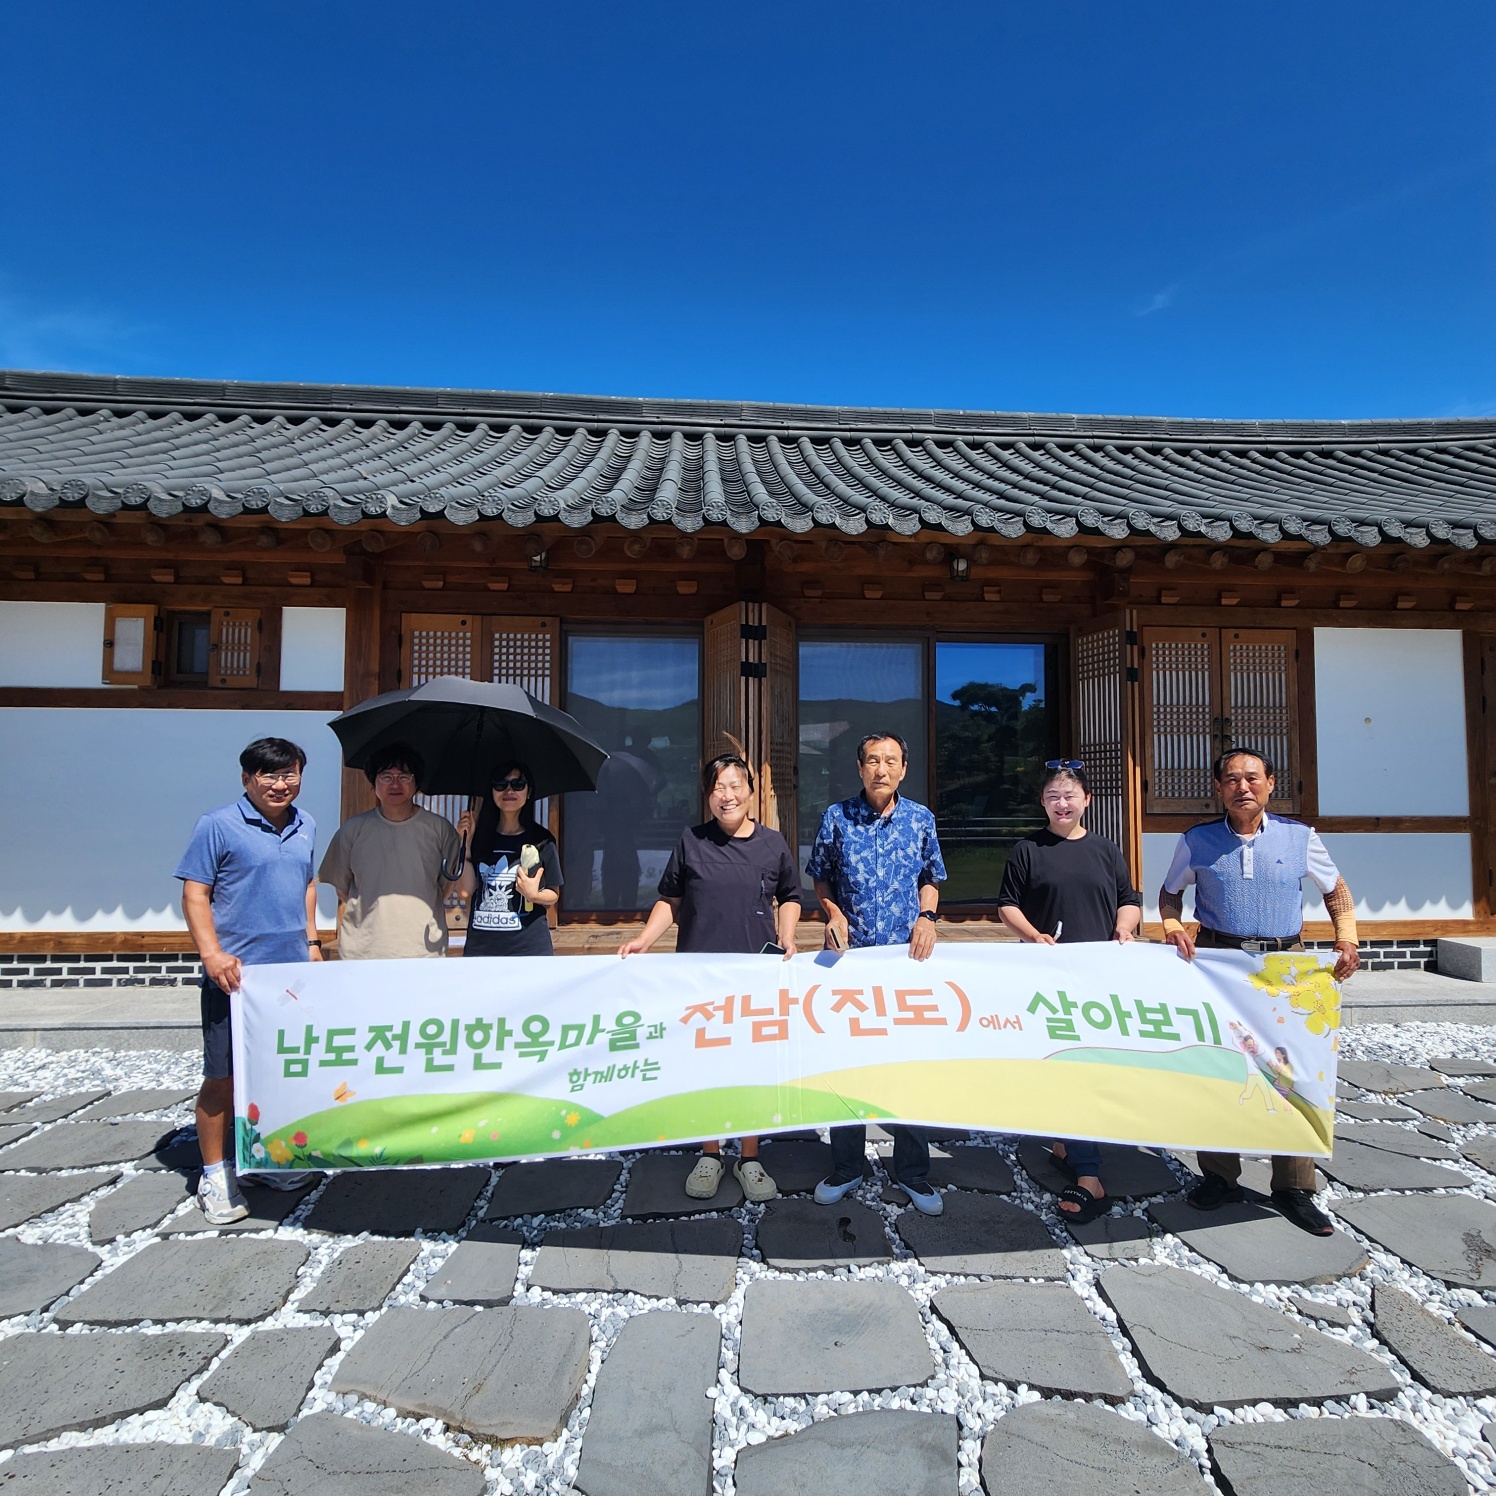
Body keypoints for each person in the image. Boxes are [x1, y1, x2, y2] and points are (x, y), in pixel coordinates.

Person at [1159, 746, 1360, 1237]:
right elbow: (1170, 894)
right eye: (1231, 779)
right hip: (1218, 964)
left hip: (1285, 969)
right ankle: (1220, 1177)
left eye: (1252, 778)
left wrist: (1347, 936)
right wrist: (1171, 927)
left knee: (1293, 1070)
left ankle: (1293, 1187)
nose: (1242, 787)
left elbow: (1336, 890)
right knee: (1221, 1066)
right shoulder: (1197, 840)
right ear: (1219, 788)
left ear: (1271, 783)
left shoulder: (1300, 838)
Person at [620, 753, 802, 1203]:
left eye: (736, 785)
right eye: (719, 787)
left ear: (751, 791)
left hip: (755, 974)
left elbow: (791, 896)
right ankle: (709, 1153)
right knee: (704, 1064)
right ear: (708, 795)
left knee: (754, 1066)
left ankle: (750, 1157)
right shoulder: (691, 841)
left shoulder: (773, 844)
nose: (728, 795)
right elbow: (671, 899)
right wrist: (645, 939)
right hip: (699, 975)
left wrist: (787, 936)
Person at [175, 737, 321, 1225]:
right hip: (234, 975)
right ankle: (215, 1174)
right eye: (269, 775)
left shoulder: (306, 825)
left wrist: (313, 942)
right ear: (246, 779)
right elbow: (196, 893)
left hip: (287, 971)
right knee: (223, 1076)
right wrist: (211, 954)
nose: (281, 785)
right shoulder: (217, 825)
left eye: (289, 774)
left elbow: (306, 883)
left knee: (277, 1069)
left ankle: (262, 1160)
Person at [805, 731, 947, 1215]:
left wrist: (927, 917)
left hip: (906, 964)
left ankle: (912, 1170)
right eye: (872, 761)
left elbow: (932, 877)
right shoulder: (836, 818)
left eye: (890, 761)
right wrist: (832, 912)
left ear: (904, 768)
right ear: (860, 769)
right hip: (850, 963)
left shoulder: (920, 819)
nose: (881, 769)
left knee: (907, 1064)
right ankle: (847, 1165)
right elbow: (821, 876)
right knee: (847, 1063)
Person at [997, 760, 1142, 1225]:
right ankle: (1071, 1145)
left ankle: (1089, 1172)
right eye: (1054, 796)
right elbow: (1007, 904)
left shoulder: (1105, 850)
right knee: (1059, 1063)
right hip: (1048, 976)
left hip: (1098, 975)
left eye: (1071, 795)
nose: (1063, 803)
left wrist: (1124, 929)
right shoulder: (1028, 849)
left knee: (1087, 1063)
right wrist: (1033, 935)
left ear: (1087, 801)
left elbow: (1129, 899)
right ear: (1043, 803)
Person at [317, 743, 461, 959]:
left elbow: (445, 887)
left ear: (416, 783)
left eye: (404, 777)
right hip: (364, 950)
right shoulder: (352, 829)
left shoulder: (440, 829)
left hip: (423, 950)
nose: (395, 784)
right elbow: (342, 889)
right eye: (386, 776)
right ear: (373, 784)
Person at [455, 760, 562, 955]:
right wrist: (466, 845)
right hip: (481, 949)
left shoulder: (542, 840)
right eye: (500, 785)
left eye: (518, 784)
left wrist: (534, 895)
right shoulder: (477, 836)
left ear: (528, 792)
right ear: (491, 791)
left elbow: (553, 893)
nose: (509, 791)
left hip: (529, 948)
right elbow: (464, 891)